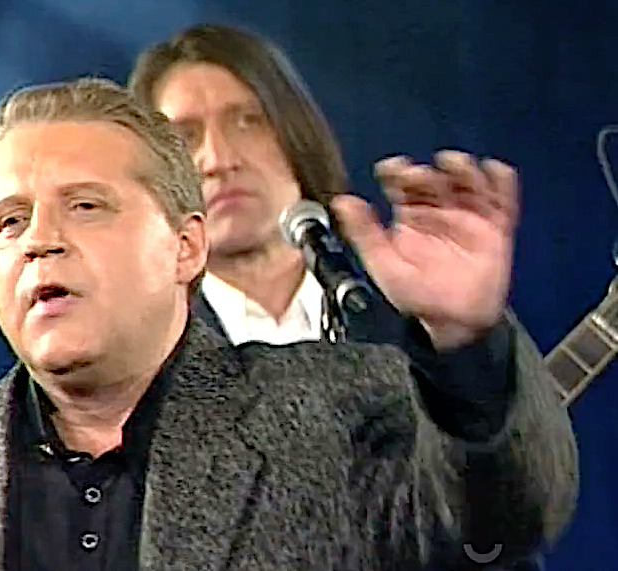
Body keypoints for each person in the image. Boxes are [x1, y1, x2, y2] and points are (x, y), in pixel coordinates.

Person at [0, 77, 577, 571]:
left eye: (85, 205)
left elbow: (505, 519)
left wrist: (466, 343)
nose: (39, 239)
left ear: (186, 247)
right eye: (10, 221)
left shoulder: (341, 413)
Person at [129, 25, 562, 570]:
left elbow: (518, 512)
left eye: (249, 120)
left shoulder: (414, 310)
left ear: (296, 134)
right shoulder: (137, 360)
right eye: (185, 136)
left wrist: (463, 343)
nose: (218, 158)